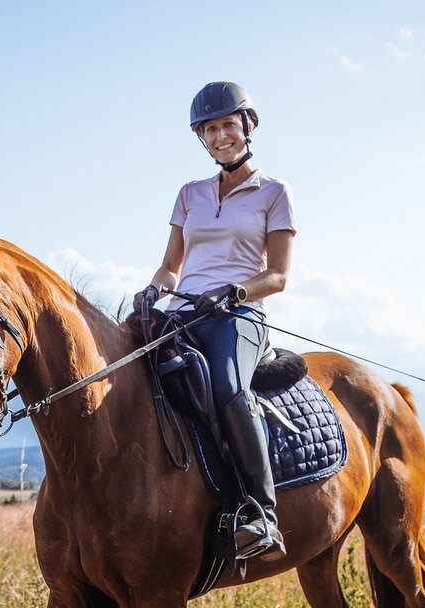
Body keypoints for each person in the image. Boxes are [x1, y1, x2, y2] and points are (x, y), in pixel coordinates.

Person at [136, 81, 296, 560]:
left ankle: (262, 514)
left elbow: (280, 276)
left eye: (228, 124)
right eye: (209, 129)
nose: (220, 135)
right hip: (184, 310)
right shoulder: (190, 194)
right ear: (201, 138)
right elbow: (172, 265)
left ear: (247, 127)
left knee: (228, 388)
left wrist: (235, 292)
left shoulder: (274, 193)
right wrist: (154, 289)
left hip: (240, 314)